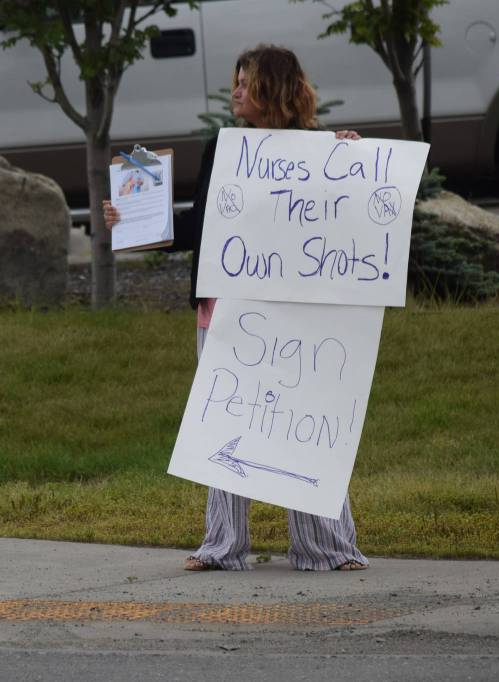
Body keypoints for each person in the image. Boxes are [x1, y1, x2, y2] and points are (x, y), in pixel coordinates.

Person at [104, 45, 368, 572]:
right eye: (235, 81)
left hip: (294, 318)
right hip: (223, 314)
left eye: (246, 81)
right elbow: (200, 230)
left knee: (304, 421)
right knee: (225, 423)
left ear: (274, 87)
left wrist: (353, 161)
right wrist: (130, 223)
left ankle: (328, 547)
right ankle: (223, 545)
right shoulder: (221, 151)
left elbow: (348, 222)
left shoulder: (319, 151)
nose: (236, 91)